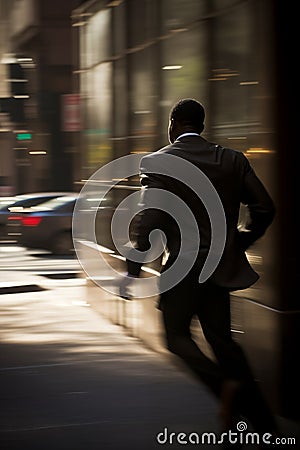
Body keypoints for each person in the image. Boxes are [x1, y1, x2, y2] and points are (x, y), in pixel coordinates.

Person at [120, 98, 279, 444]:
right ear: (202, 126)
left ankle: (228, 389)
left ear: (173, 123)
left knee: (176, 337)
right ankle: (266, 426)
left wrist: (133, 267)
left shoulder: (160, 163)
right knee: (224, 343)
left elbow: (151, 218)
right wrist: (241, 241)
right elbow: (265, 208)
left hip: (184, 268)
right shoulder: (232, 160)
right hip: (220, 268)